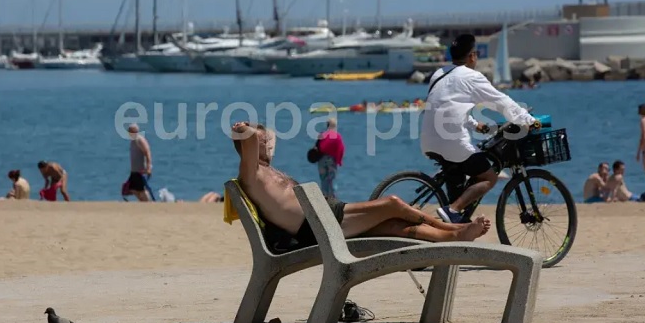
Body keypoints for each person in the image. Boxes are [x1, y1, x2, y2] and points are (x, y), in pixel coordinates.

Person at [231, 121, 491, 249]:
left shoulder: (268, 171)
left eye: (267, 141)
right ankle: (451, 225)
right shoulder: (251, 174)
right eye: (263, 142)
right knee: (393, 204)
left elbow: (259, 139)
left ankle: (452, 237)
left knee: (393, 225)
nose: (267, 144)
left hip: (324, 217)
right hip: (318, 225)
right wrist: (245, 131)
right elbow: (251, 140)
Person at [420, 34, 539, 223]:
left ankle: (455, 225)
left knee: (457, 178)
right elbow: (501, 102)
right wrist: (530, 121)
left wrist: (475, 125)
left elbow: (448, 107)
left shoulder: (438, 74)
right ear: (473, 56)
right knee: (489, 177)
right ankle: (453, 209)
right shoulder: (472, 76)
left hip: (428, 140)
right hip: (451, 142)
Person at [317, 118, 345, 198]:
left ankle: (324, 196)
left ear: (327, 125)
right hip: (332, 160)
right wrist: (339, 161)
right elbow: (341, 149)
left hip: (321, 159)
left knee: (323, 179)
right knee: (331, 179)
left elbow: (318, 147)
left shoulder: (322, 135)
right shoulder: (337, 136)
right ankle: (332, 197)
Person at [126, 124, 153, 201]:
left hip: (140, 170)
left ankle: (148, 203)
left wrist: (149, 167)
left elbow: (147, 152)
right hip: (134, 170)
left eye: (130, 131)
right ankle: (143, 202)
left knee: (141, 189)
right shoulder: (133, 141)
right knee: (132, 189)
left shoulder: (139, 140)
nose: (129, 133)